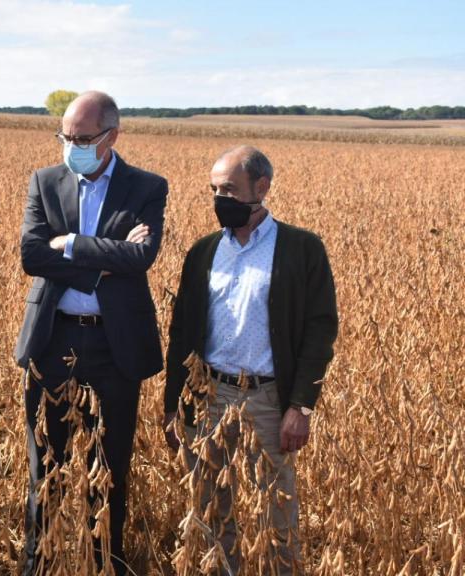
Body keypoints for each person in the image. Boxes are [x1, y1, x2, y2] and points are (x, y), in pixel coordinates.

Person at [163, 145, 338, 574]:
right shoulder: (204, 251)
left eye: (229, 189)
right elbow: (181, 331)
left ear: (262, 187)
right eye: (213, 189)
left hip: (267, 399)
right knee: (209, 510)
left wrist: (300, 405)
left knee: (276, 514)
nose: (219, 199)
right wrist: (173, 404)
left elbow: (321, 329)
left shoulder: (301, 248)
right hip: (209, 394)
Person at [15, 90, 168, 574]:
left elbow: (142, 256)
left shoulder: (146, 187)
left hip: (113, 344)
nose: (71, 145)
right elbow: (31, 255)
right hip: (53, 337)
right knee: (48, 462)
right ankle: (39, 563)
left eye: (82, 138)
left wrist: (74, 245)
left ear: (111, 136)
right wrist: (105, 259)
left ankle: (107, 562)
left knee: (110, 465)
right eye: (65, 136)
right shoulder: (45, 180)